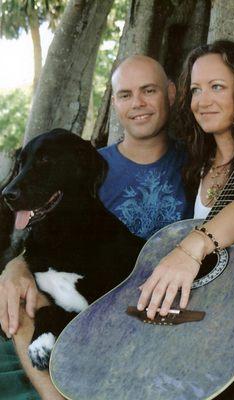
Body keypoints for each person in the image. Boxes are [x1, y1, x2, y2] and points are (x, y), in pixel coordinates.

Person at [0, 55, 191, 399]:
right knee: (18, 299)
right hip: (82, 308)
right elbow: (46, 243)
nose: (138, 104)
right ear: (114, 102)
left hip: (151, 311)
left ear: (172, 93)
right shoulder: (82, 168)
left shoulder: (198, 166)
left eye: (149, 90)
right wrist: (15, 267)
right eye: (125, 94)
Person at [137, 40, 234, 362]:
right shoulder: (192, 164)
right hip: (210, 303)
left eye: (217, 86)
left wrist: (191, 248)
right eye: (196, 90)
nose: (203, 101)